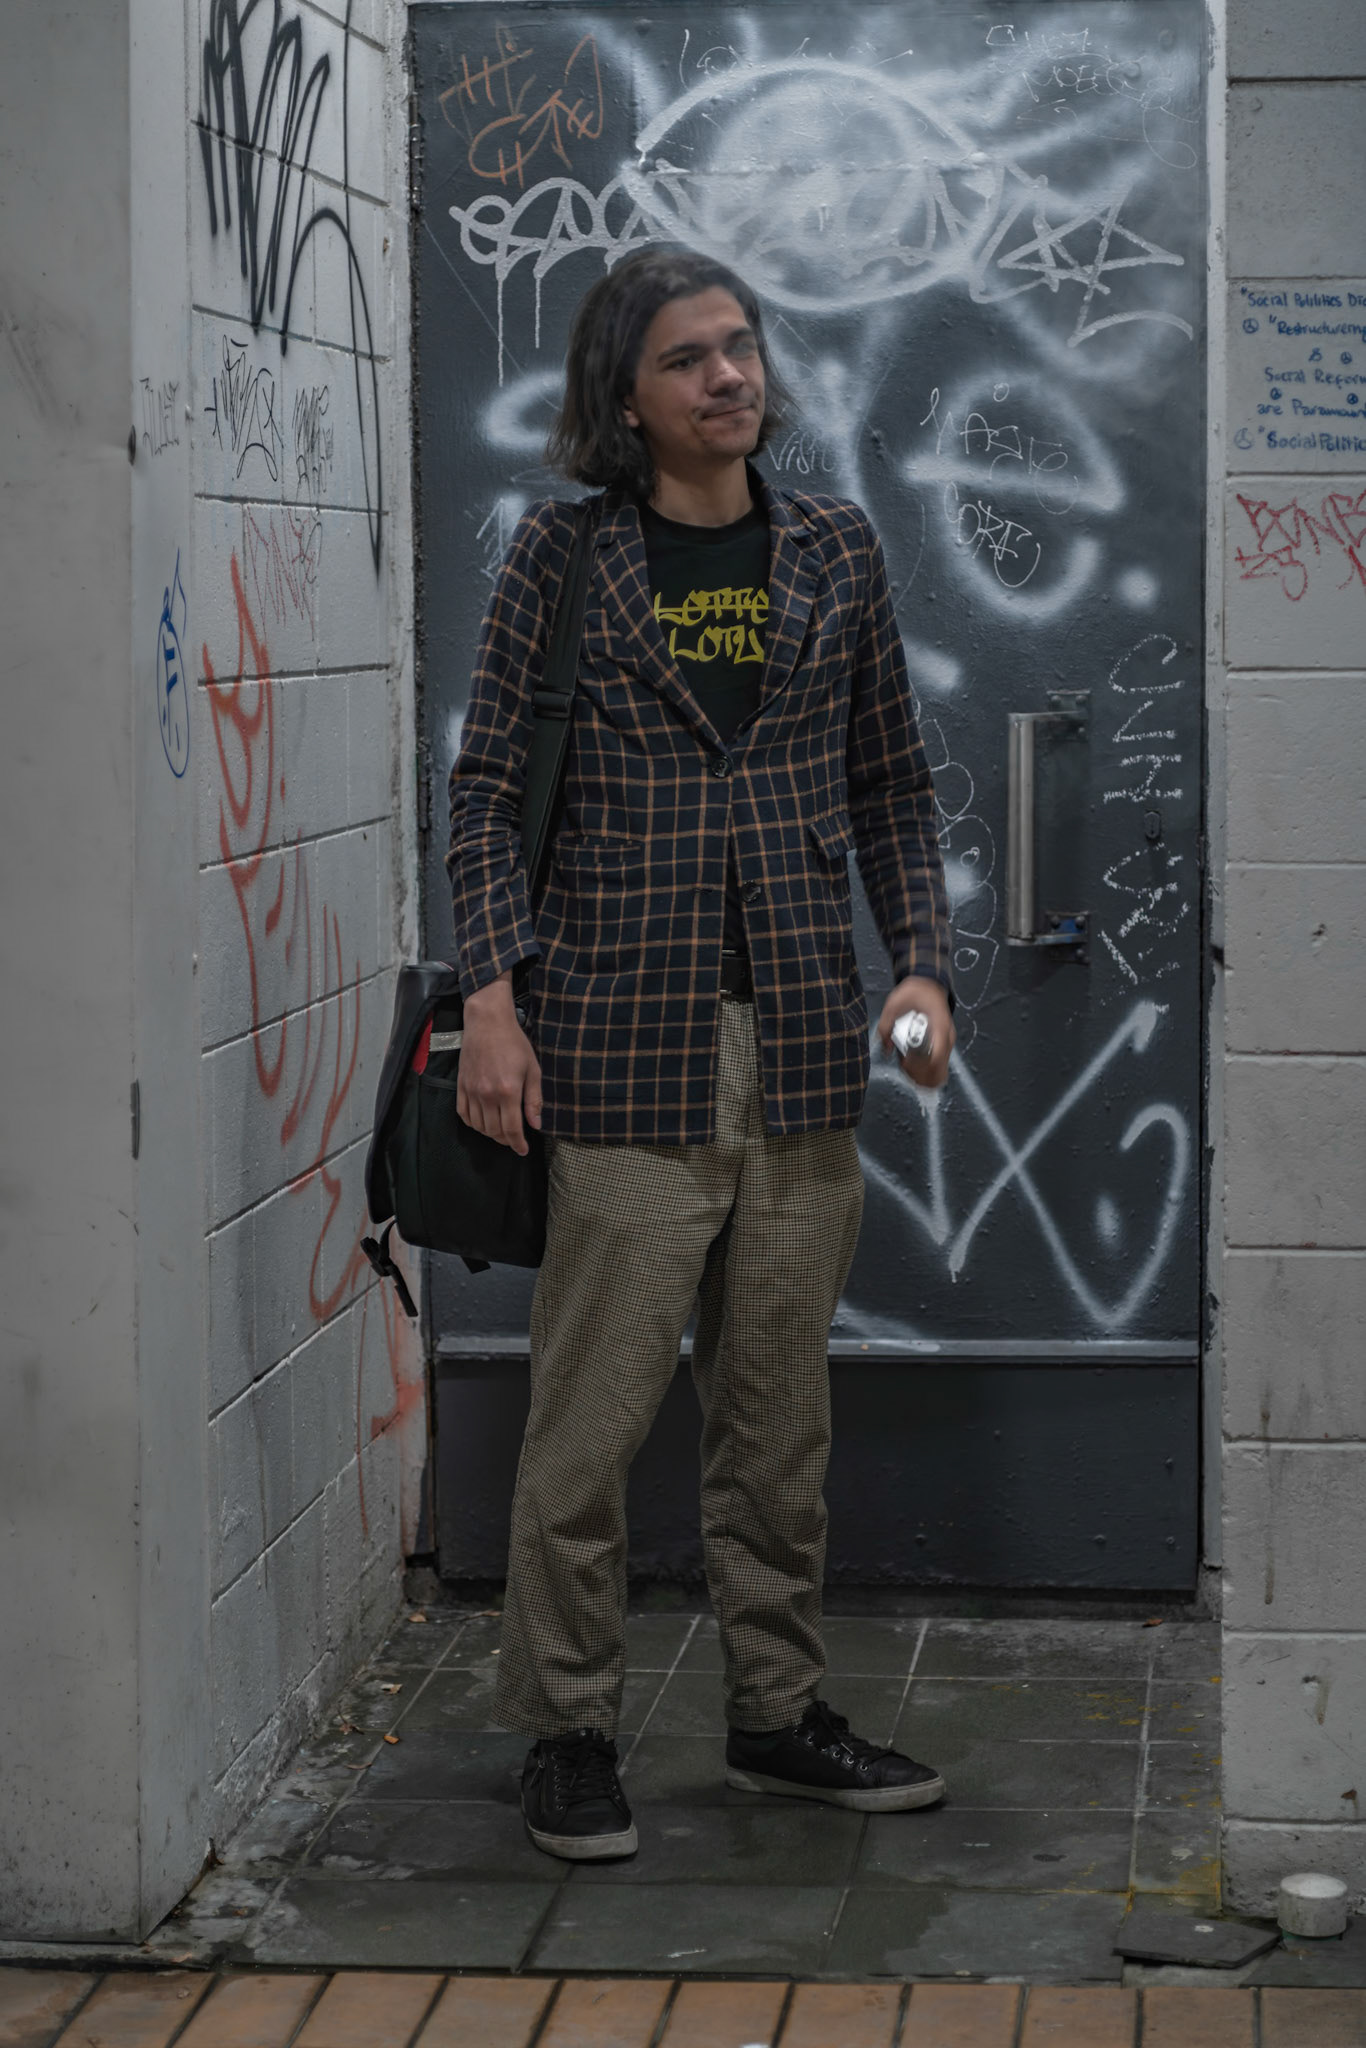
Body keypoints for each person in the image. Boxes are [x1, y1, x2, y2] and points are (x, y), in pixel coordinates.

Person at [447, 247, 955, 1863]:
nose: (729, 376)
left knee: (775, 1423)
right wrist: (491, 1005)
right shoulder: (563, 559)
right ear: (625, 397)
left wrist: (921, 964)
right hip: (619, 1043)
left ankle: (773, 1714)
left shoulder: (832, 547)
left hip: (799, 1044)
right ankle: (567, 1730)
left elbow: (888, 780)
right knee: (587, 1426)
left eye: (739, 347)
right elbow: (484, 793)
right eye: (687, 358)